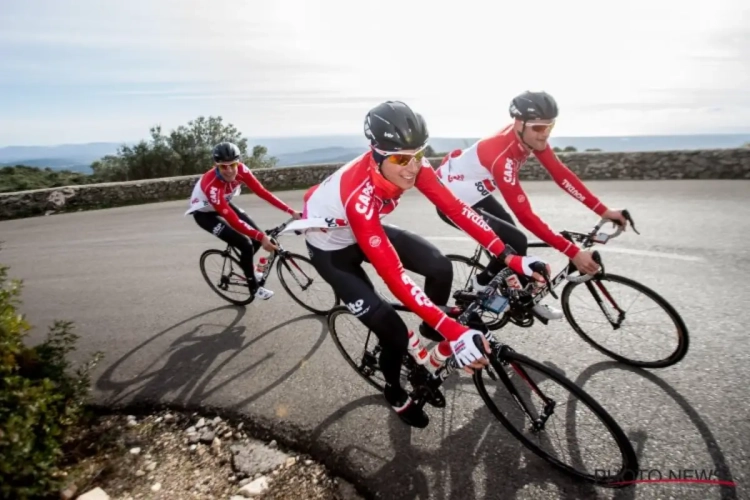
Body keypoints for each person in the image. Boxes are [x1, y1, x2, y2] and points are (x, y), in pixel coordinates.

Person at [288, 101, 550, 428]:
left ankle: (430, 326)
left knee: (440, 267)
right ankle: (395, 390)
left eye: (418, 154)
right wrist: (454, 332)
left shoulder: (413, 164)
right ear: (376, 153)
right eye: (400, 159)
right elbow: (394, 275)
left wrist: (509, 256)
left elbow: (456, 209)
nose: (412, 168)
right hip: (332, 252)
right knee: (392, 331)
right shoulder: (359, 196)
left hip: (362, 231)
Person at [434, 90, 628, 320]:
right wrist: (572, 251)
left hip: (474, 191)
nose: (544, 134)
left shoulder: (528, 137)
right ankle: (479, 287)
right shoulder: (500, 155)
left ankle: (525, 297)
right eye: (538, 127)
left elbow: (561, 175)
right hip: (451, 198)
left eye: (550, 127)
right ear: (518, 123)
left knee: (514, 240)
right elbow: (525, 215)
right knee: (516, 240)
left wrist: (603, 210)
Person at [185, 141, 302, 300]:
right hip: (205, 215)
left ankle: (246, 265)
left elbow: (262, 192)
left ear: (238, 163)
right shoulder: (211, 185)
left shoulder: (242, 170)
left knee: (256, 240)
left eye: (232, 165)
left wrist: (291, 211)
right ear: (216, 165)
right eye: (223, 166)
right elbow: (232, 220)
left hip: (223, 204)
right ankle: (253, 287)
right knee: (246, 244)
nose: (229, 170)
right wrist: (262, 237)